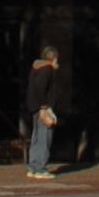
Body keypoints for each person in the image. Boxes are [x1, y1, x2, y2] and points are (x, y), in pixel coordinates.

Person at [25, 48, 64, 179]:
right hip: (43, 107)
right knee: (44, 137)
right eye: (56, 58)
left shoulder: (36, 67)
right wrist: (44, 106)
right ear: (53, 58)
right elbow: (41, 87)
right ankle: (40, 168)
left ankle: (33, 167)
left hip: (34, 107)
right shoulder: (47, 69)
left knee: (36, 137)